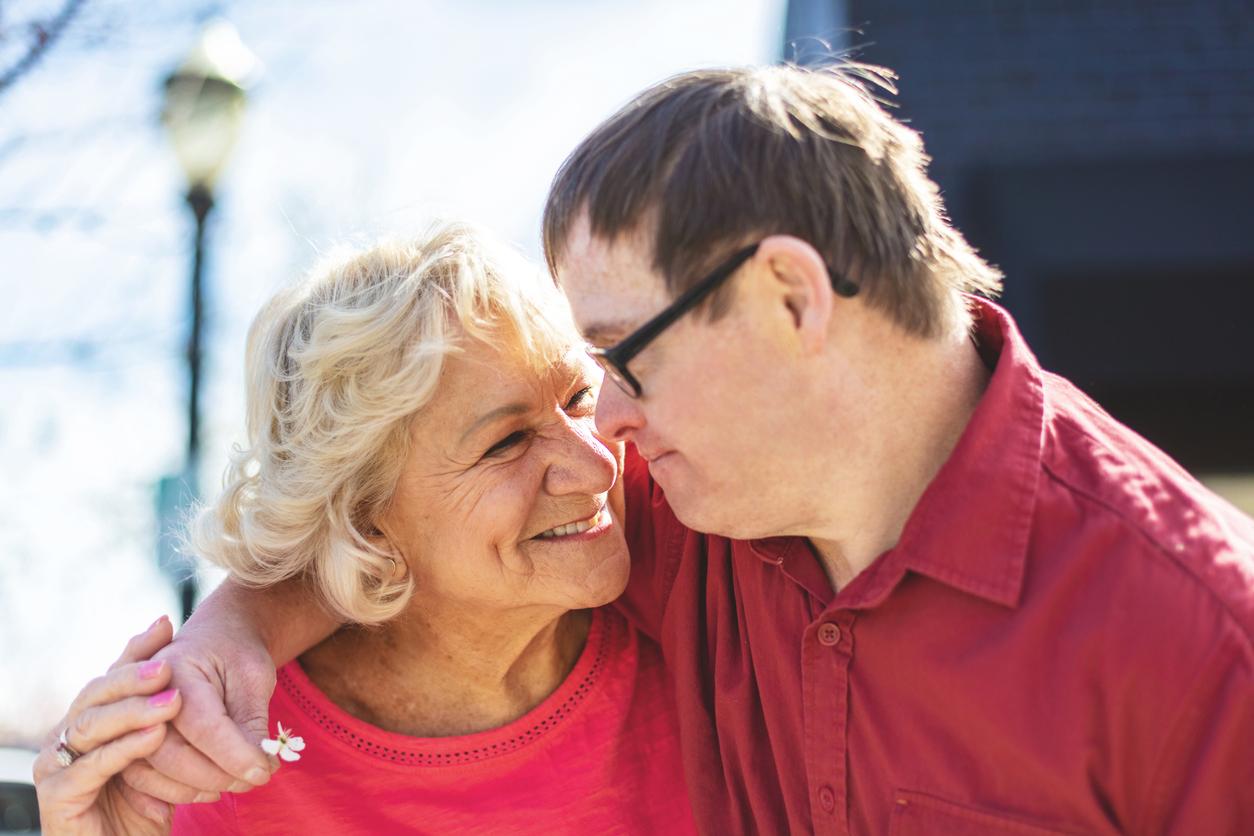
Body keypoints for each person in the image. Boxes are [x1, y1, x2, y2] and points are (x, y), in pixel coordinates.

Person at [134, 65, 1252, 834]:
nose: (603, 430)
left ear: (789, 298)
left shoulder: (1202, 645)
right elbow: (391, 524)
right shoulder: (683, 512)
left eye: (620, 358)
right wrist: (230, 628)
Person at [33, 224, 696, 835]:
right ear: (364, 523)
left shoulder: (700, 597)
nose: (596, 461)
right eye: (508, 441)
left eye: (579, 397)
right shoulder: (213, 761)